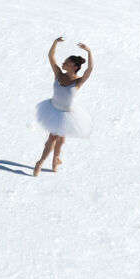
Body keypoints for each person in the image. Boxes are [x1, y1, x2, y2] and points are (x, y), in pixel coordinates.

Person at [33, 37, 94, 176]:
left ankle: (53, 160)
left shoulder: (78, 82)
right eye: (64, 61)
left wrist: (89, 51)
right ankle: (41, 162)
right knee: (53, 138)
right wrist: (55, 43)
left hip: (67, 114)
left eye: (67, 62)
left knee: (61, 138)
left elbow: (90, 69)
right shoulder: (58, 74)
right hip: (53, 110)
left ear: (75, 67)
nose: (63, 63)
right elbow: (51, 57)